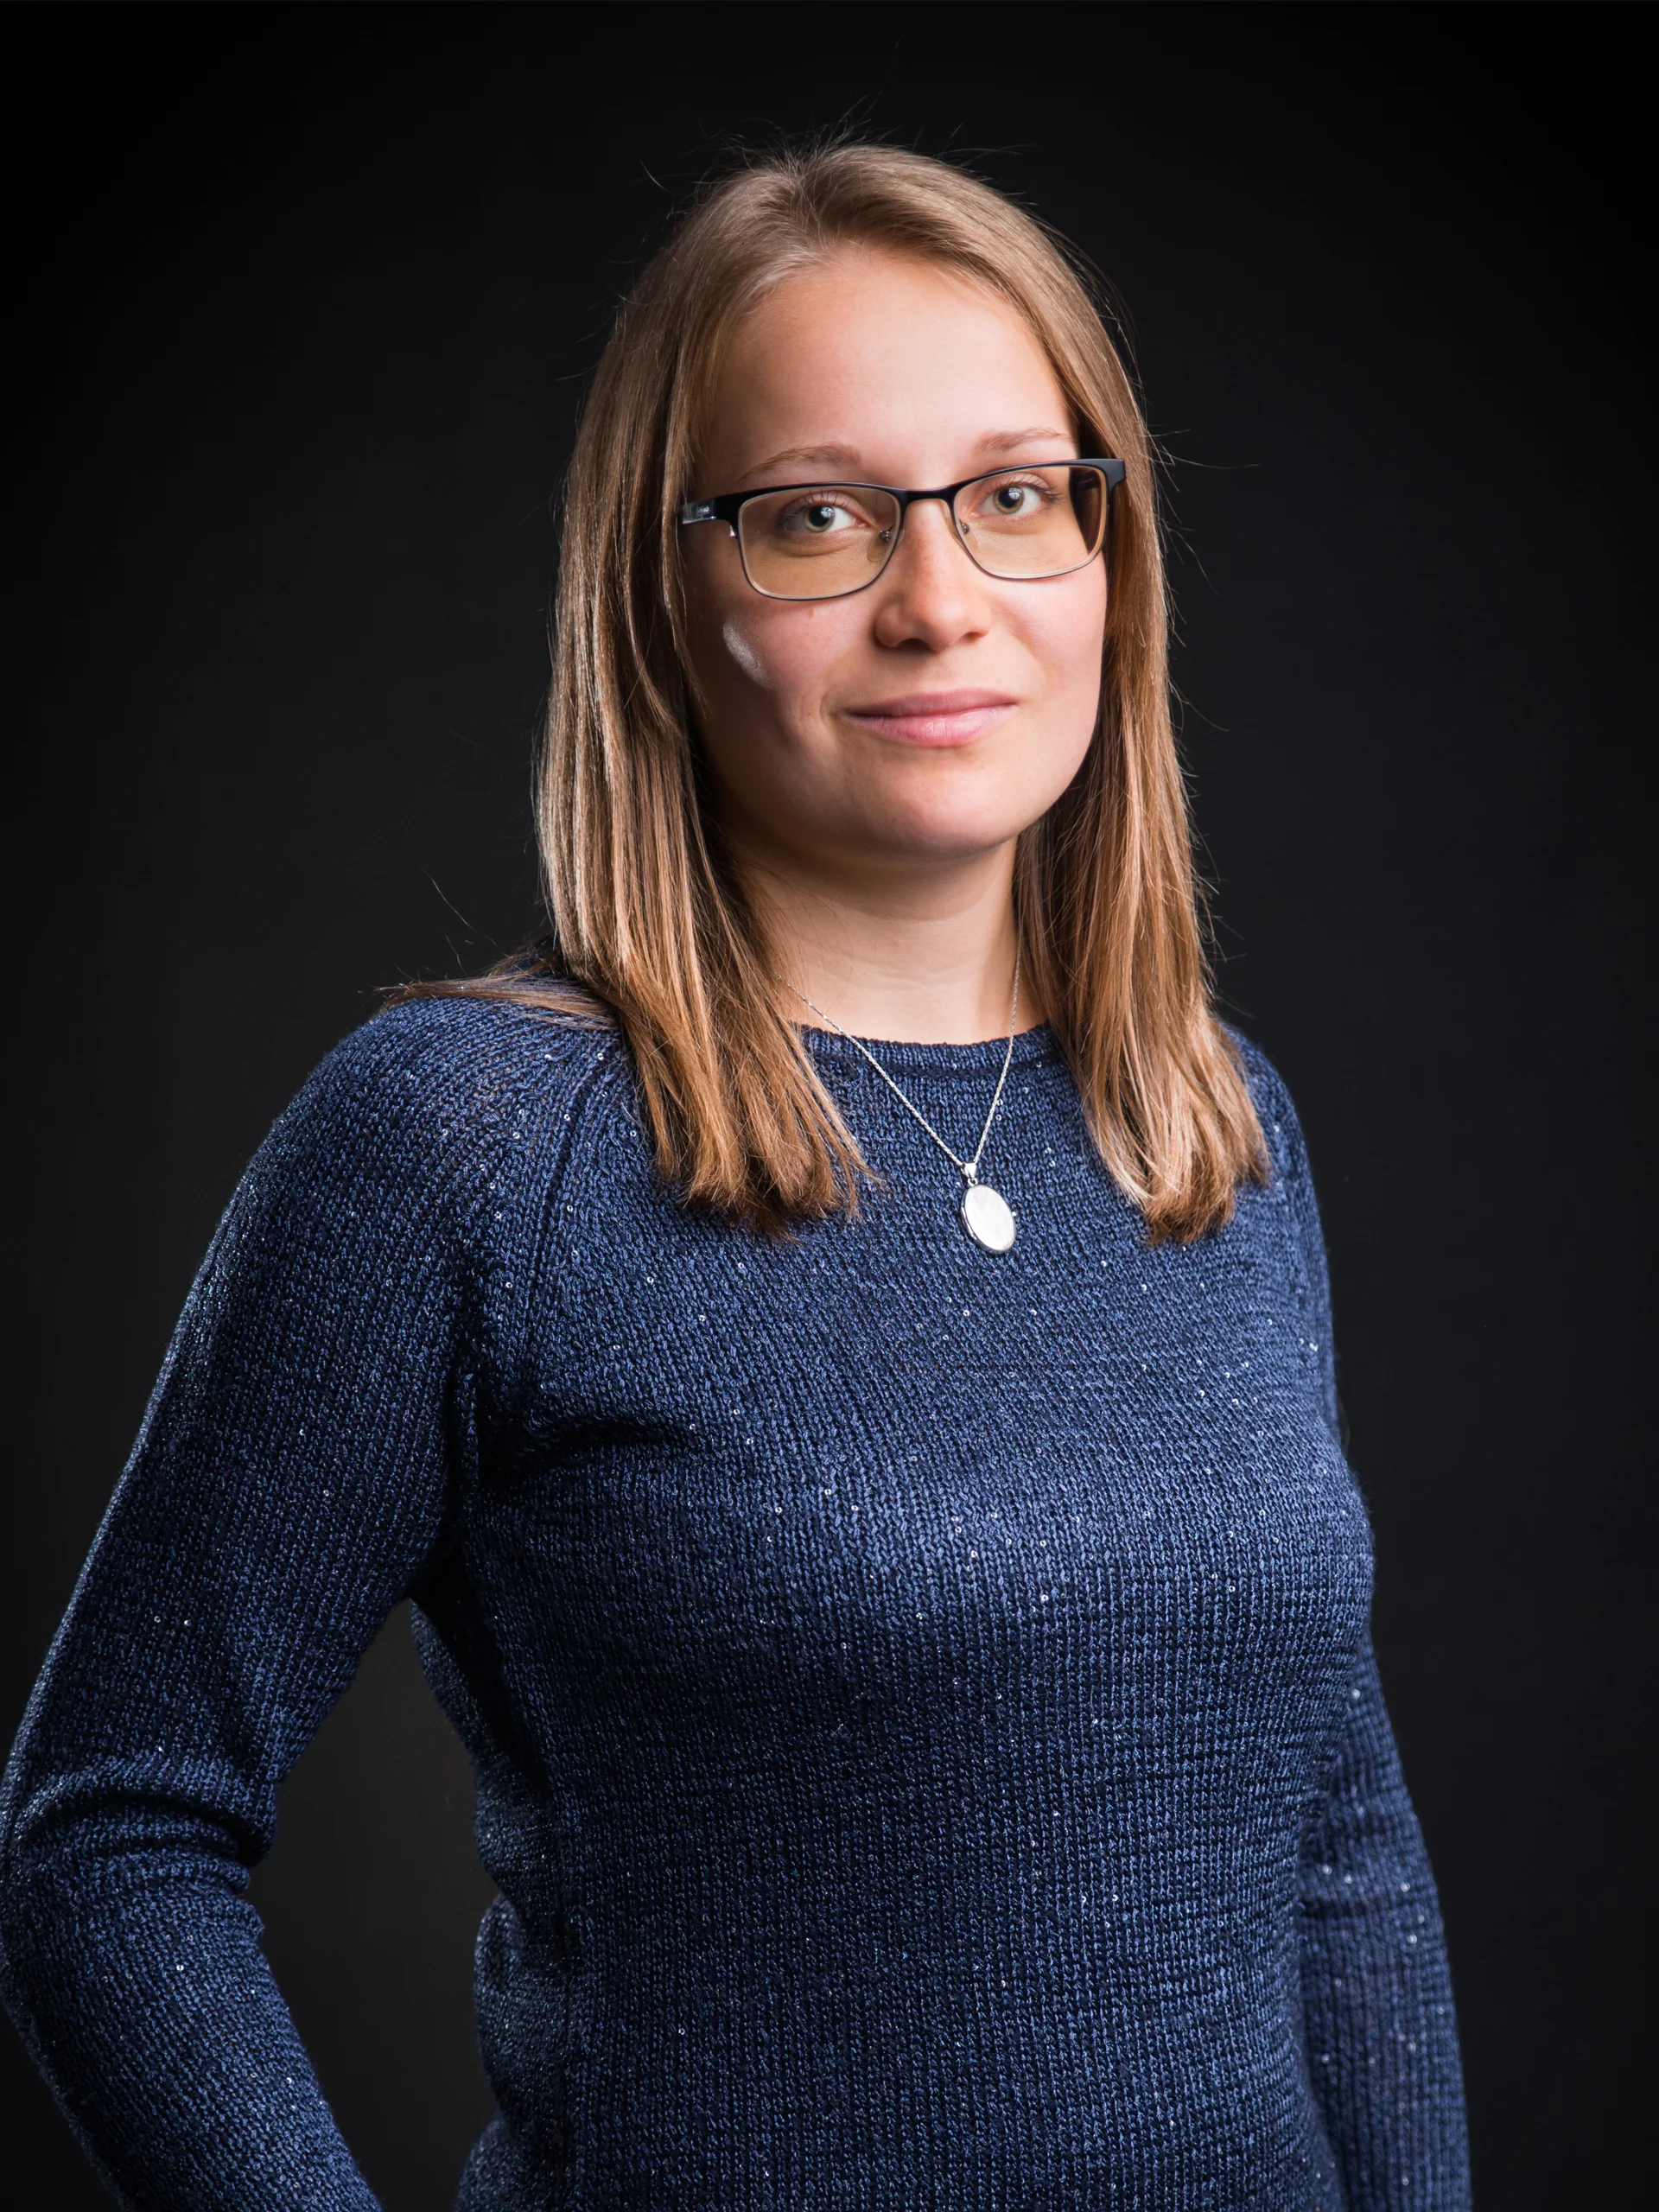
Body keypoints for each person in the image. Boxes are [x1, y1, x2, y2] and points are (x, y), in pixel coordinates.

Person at [0, 143, 1470, 2209]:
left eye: (1015, 495)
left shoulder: (1214, 1121)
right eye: (816, 517)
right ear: (662, 595)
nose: (938, 599)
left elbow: (1338, 1853)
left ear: (1111, 560)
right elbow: (108, 1828)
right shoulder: (466, 1143)